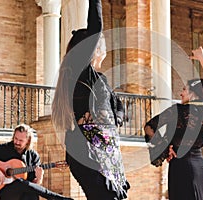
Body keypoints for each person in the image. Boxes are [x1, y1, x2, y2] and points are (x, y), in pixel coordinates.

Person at [51, 0, 129, 199]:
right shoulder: (81, 73)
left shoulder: (99, 79)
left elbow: (118, 105)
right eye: (99, 42)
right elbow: (96, 27)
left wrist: (115, 121)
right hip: (87, 150)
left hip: (106, 150)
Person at [144, 46, 203, 200]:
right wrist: (202, 59)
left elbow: (149, 127)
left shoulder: (178, 111)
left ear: (194, 94)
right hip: (198, 166)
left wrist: (164, 146)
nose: (181, 93)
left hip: (180, 167)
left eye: (184, 89)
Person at [0, 124, 73, 200]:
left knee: (29, 192)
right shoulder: (3, 149)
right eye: (15, 138)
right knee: (19, 182)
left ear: (28, 141)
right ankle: (56, 198)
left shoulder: (33, 156)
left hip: (26, 193)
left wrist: (39, 178)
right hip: (7, 192)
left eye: (21, 140)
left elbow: (33, 185)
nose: (17, 142)